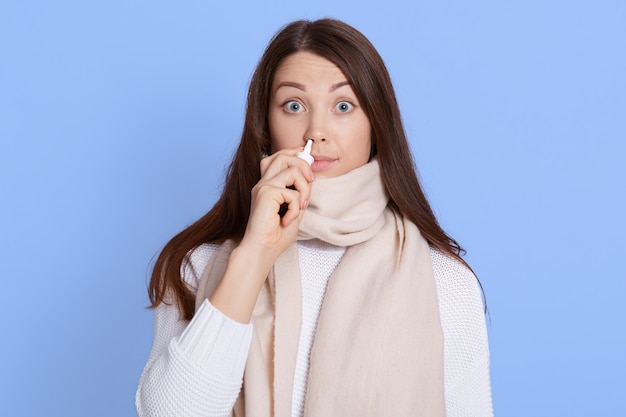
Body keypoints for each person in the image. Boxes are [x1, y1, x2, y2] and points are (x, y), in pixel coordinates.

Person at [135, 18, 493, 417]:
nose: (316, 131)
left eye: (343, 106)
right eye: (293, 105)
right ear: (264, 124)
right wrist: (254, 256)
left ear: (376, 123)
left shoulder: (442, 279)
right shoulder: (198, 264)